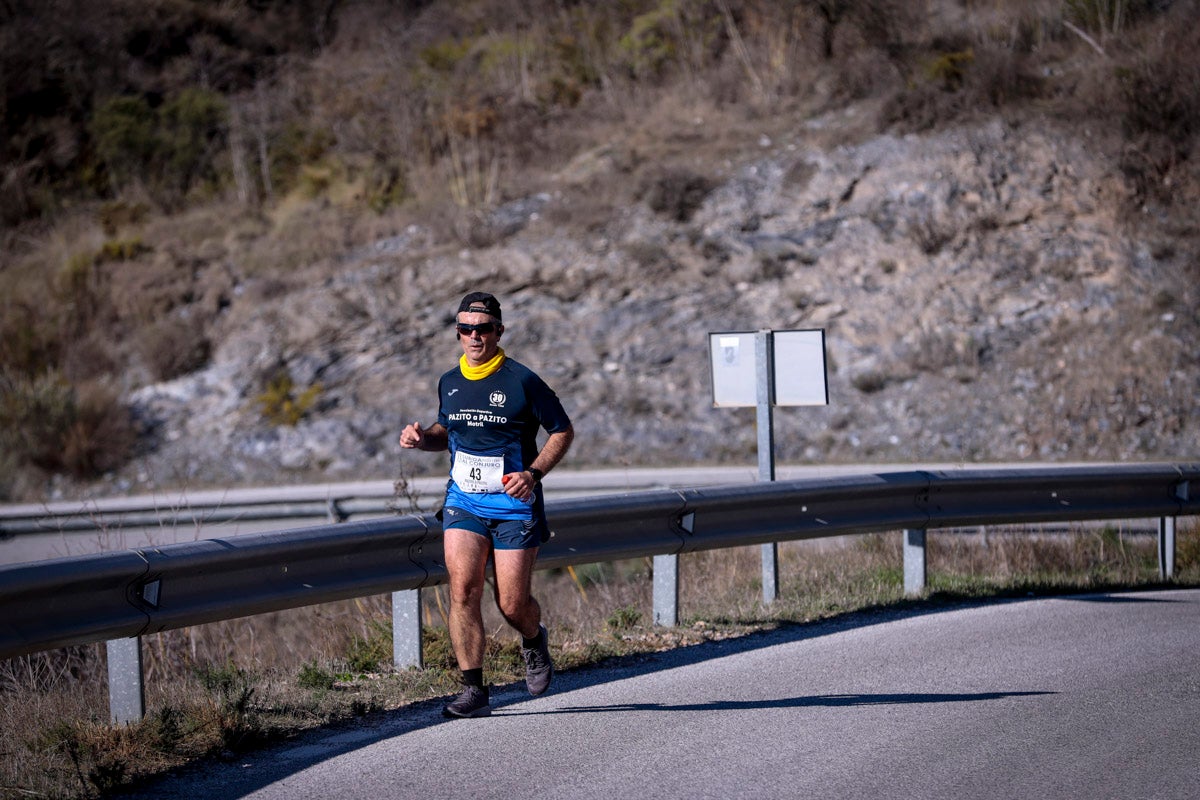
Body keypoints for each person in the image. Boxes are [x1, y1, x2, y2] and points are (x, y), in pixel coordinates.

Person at [400, 291, 574, 718]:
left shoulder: (522, 381)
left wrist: (533, 474)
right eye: (466, 329)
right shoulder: (449, 381)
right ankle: (473, 690)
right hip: (464, 501)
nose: (474, 337)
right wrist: (423, 440)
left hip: (514, 506)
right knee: (463, 590)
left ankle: (533, 639)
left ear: (499, 331)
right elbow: (447, 432)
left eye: (483, 329)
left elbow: (562, 431)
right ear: (457, 333)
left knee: (511, 604)